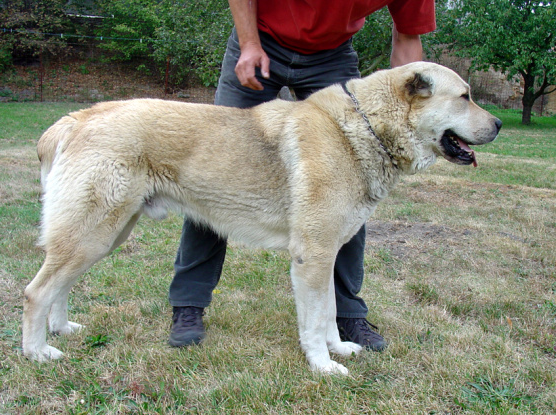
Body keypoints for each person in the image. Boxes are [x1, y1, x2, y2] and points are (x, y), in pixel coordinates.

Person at [168, 0, 436, 349]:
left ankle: (346, 315)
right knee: (214, 171)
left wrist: (405, 114)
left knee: (351, 185)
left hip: (331, 55)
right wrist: (248, 43)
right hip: (261, 37)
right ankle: (188, 305)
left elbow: (408, 45)